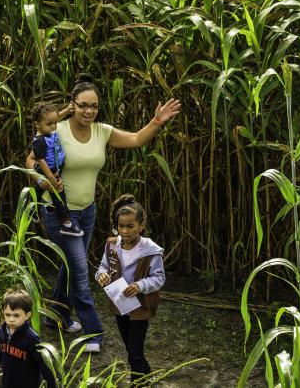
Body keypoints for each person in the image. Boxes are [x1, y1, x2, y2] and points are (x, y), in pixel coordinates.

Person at [26, 73, 180, 353]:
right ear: (72, 104)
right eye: (83, 105)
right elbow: (31, 160)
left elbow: (135, 139)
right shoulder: (56, 129)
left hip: (87, 211)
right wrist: (42, 180)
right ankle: (94, 332)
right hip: (60, 213)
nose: (88, 111)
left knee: (71, 265)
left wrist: (156, 122)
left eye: (94, 106)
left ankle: (58, 313)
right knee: (81, 270)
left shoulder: (102, 131)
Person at [95, 194, 165, 381]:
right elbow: (102, 267)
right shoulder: (112, 246)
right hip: (120, 304)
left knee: (134, 352)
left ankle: (138, 383)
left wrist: (140, 285)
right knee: (131, 348)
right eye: (121, 226)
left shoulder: (151, 250)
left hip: (140, 307)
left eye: (130, 226)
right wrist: (100, 275)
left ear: (141, 226)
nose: (125, 231)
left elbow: (159, 278)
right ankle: (148, 377)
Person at [31, 102, 83, 236]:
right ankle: (66, 223)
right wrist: (51, 178)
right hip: (50, 170)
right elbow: (41, 160)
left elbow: (55, 118)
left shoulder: (49, 130)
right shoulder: (40, 141)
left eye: (55, 123)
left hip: (54, 169)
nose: (54, 127)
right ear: (37, 124)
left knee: (37, 190)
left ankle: (31, 209)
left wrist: (66, 111)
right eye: (49, 124)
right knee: (59, 196)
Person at [0, 288, 56, 388]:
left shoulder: (31, 338)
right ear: (3, 313)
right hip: (8, 381)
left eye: (16, 315)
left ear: (27, 315)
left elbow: (45, 364)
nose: (11, 319)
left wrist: (51, 384)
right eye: (8, 314)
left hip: (28, 384)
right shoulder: (1, 332)